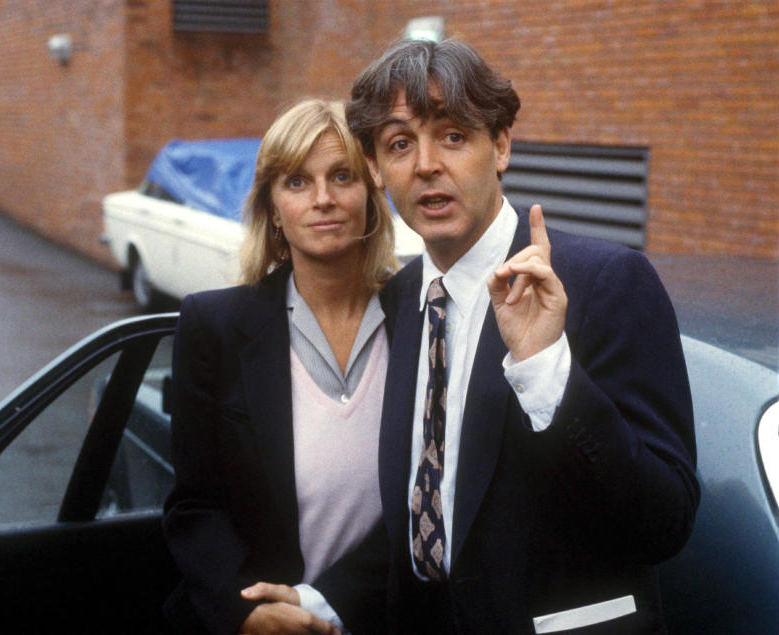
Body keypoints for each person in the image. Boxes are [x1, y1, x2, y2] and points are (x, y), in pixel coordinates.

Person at [345, 38, 698, 633]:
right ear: (378, 168)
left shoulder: (602, 282)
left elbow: (664, 521)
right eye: (401, 144)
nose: (427, 163)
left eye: (453, 135)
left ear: (501, 146)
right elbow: (419, 505)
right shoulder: (399, 298)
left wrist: (546, 368)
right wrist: (322, 599)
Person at [163, 99, 395, 634]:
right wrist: (243, 611)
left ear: (371, 195)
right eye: (297, 182)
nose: (323, 200)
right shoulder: (213, 325)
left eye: (342, 176)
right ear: (271, 207)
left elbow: (435, 502)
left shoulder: (422, 318)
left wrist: (327, 601)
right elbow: (194, 505)